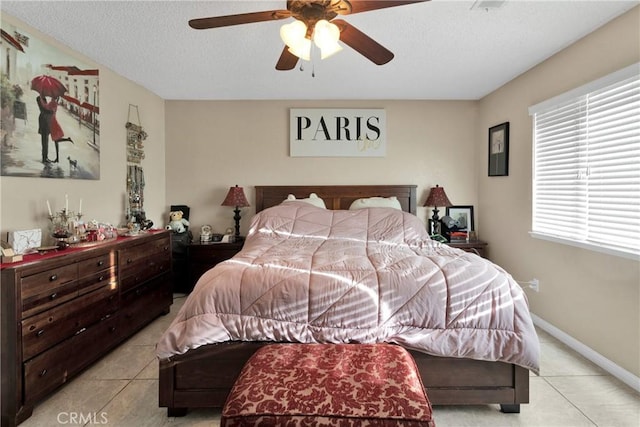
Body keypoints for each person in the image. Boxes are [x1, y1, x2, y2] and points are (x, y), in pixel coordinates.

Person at [36, 95, 73, 163]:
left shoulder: (44, 99)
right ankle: (45, 158)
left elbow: (48, 108)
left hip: (48, 122)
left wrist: (51, 110)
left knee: (48, 140)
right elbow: (43, 110)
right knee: (45, 141)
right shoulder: (39, 98)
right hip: (44, 122)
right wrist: (51, 111)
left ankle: (46, 157)